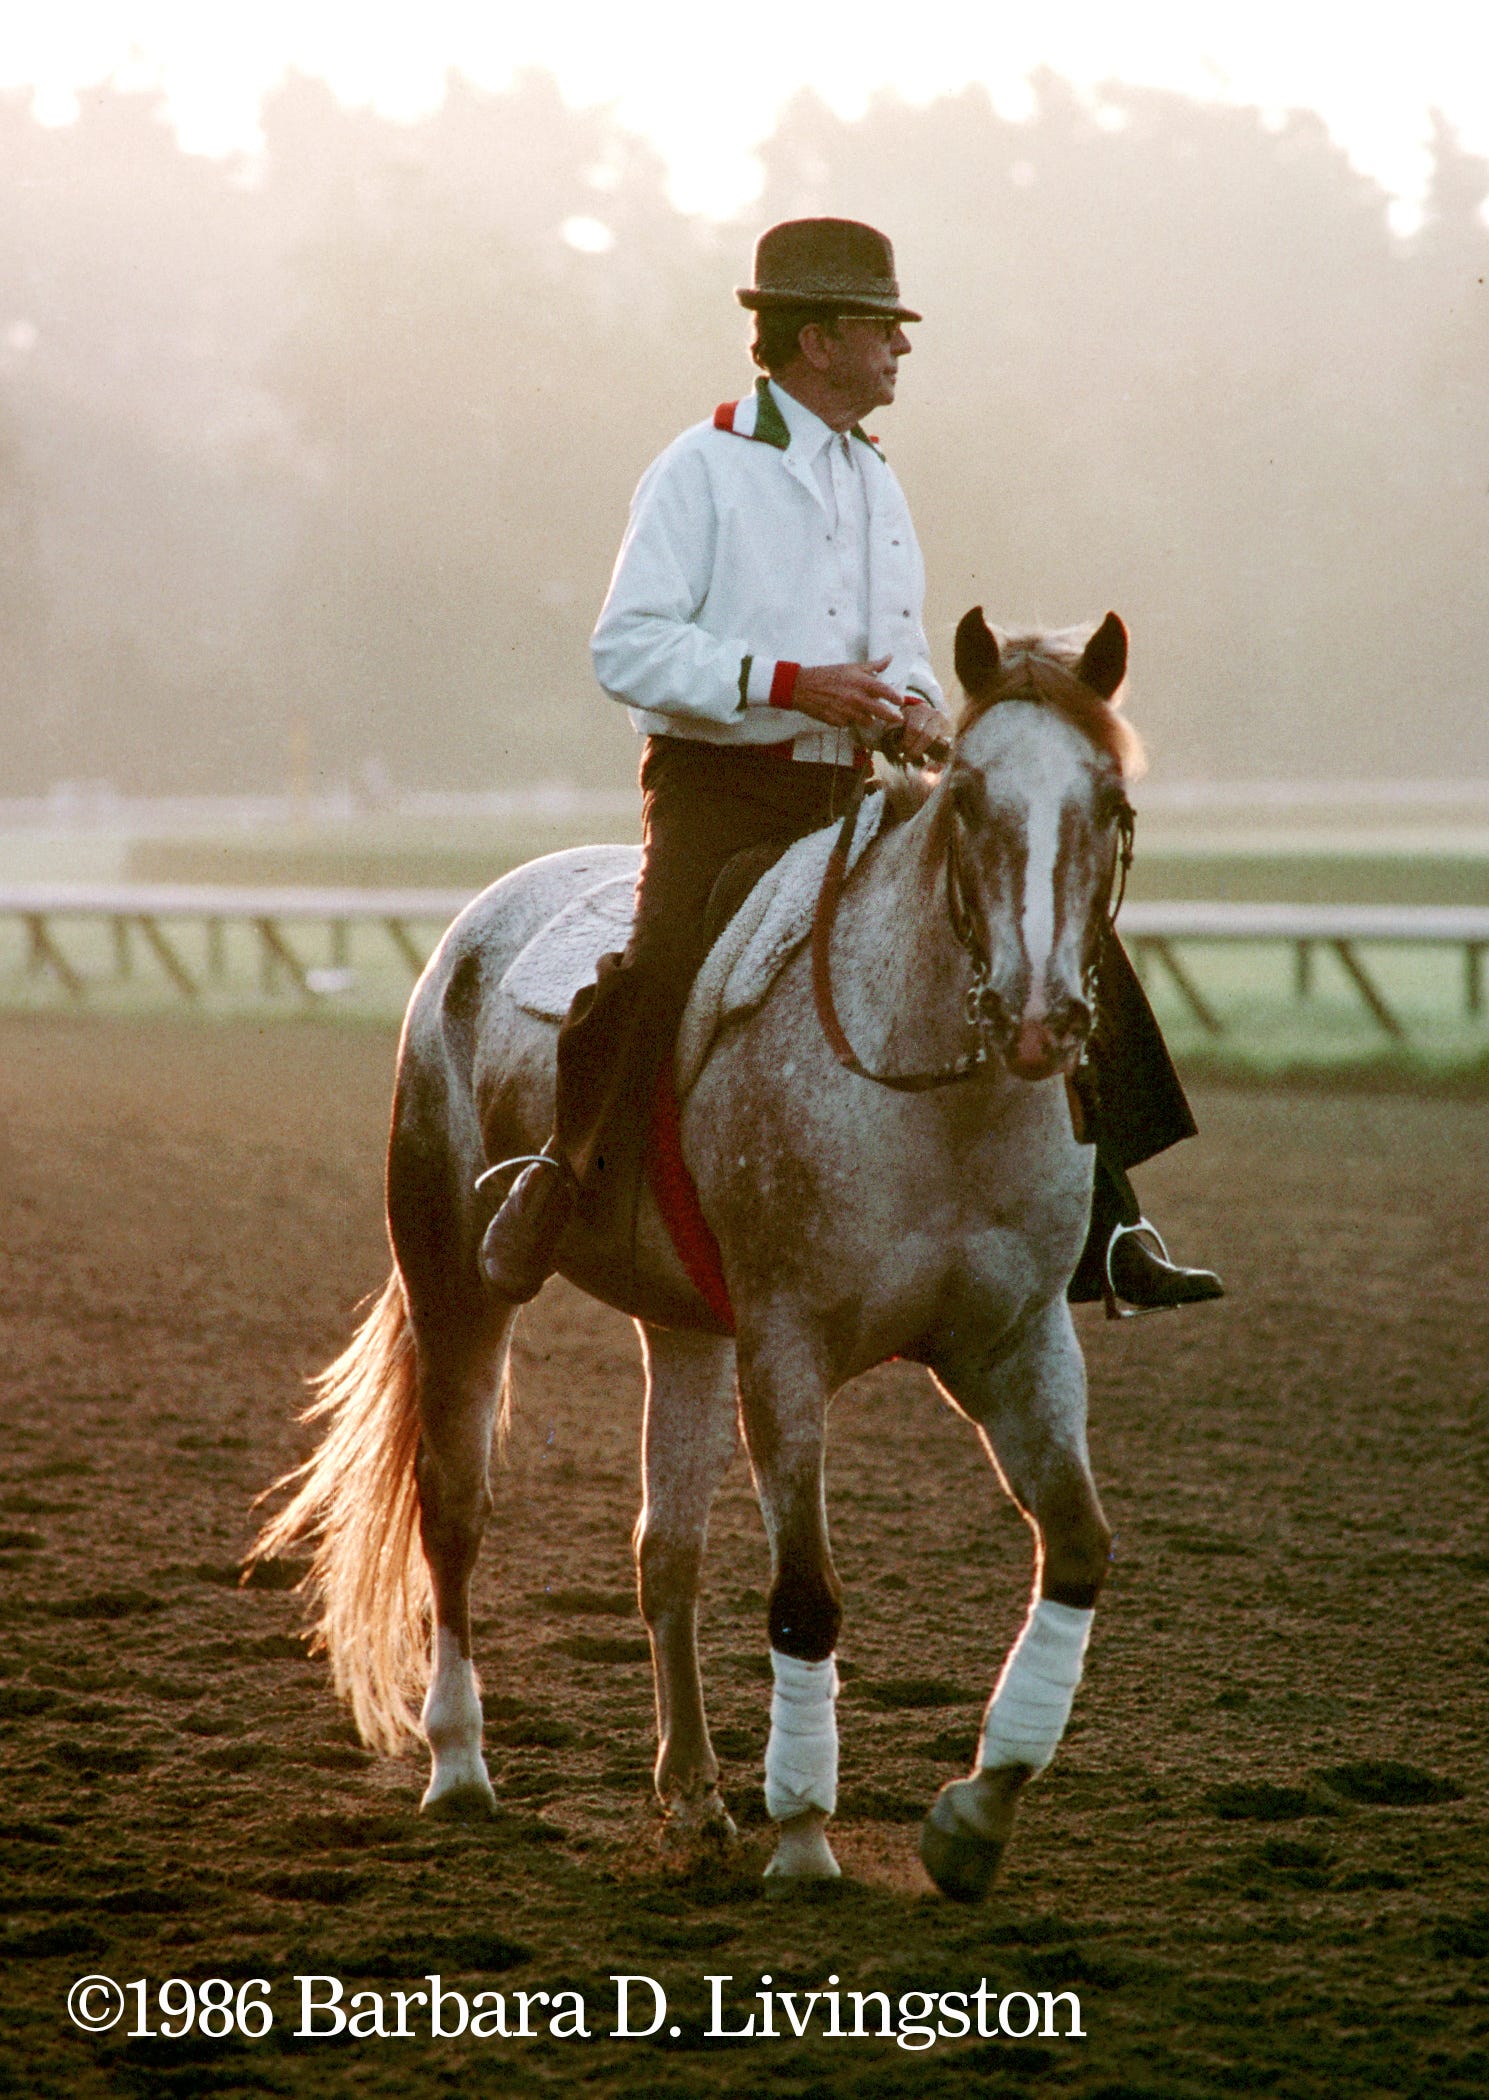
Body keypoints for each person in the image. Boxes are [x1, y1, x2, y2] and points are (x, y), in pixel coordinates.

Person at [480, 217, 1222, 1319]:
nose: (900, 348)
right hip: (718, 794)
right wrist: (789, 684)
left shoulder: (874, 477)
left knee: (1048, 921)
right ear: (818, 341)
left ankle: (1109, 1223)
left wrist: (916, 706)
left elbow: (901, 644)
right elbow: (625, 647)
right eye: (883, 328)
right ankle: (559, 1176)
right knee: (658, 967)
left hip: (853, 788)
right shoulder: (697, 469)